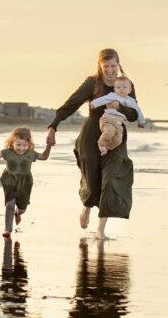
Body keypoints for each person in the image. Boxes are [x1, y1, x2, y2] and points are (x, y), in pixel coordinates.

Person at [47, 48, 139, 239]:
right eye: (106, 66)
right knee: (92, 178)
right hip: (91, 137)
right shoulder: (92, 83)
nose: (110, 70)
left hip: (115, 137)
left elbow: (133, 114)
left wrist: (119, 106)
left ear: (118, 64)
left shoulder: (126, 85)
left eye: (113, 65)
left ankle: (100, 230)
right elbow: (71, 104)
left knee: (110, 180)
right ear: (100, 66)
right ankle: (87, 206)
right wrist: (53, 126)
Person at [0, 126, 52, 237]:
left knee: (22, 208)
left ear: (29, 145)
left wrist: (49, 145)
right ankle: (8, 229)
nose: (21, 148)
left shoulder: (30, 153)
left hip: (25, 183)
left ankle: (18, 213)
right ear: (12, 143)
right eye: (18, 145)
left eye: (25, 145)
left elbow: (44, 157)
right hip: (9, 180)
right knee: (10, 204)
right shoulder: (8, 152)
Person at [92, 76, 145, 155]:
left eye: (124, 87)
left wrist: (141, 121)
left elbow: (138, 111)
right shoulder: (113, 96)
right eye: (118, 87)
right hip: (108, 119)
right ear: (114, 89)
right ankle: (101, 145)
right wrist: (94, 104)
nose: (121, 89)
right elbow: (103, 99)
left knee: (118, 140)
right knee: (108, 132)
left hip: (119, 123)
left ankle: (107, 148)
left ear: (129, 90)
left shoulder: (131, 101)